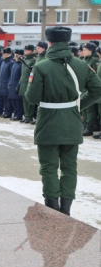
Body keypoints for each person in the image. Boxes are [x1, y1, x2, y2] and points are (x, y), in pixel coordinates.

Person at [25, 26, 101, 215]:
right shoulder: (82, 64)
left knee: (49, 167)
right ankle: (66, 209)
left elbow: (32, 98)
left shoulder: (41, 66)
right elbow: (97, 90)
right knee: (69, 167)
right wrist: (77, 106)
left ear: (49, 43)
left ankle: (52, 207)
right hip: (72, 122)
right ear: (67, 42)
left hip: (48, 123)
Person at [80, 42, 99, 136]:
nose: (83, 52)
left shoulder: (93, 61)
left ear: (91, 51)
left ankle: (89, 127)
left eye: (85, 50)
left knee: (90, 108)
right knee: (84, 108)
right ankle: (84, 125)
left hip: (90, 87)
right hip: (84, 88)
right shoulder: (85, 60)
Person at [19, 45, 36, 123]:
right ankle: (26, 116)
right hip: (23, 82)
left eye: (27, 50)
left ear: (31, 51)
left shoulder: (33, 60)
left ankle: (29, 116)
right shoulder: (25, 59)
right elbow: (22, 74)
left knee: (29, 102)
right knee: (24, 101)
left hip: (29, 83)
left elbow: (33, 73)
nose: (25, 51)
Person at [0, 47, 14, 118]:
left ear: (8, 54)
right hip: (1, 83)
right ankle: (4, 111)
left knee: (7, 100)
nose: (2, 55)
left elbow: (11, 75)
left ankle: (8, 112)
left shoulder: (10, 62)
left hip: (6, 84)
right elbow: (0, 74)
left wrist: (9, 83)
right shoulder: (3, 62)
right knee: (3, 99)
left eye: (4, 54)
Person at [8, 49, 23, 121]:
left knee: (18, 102)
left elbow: (21, 77)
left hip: (17, 85)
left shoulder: (22, 65)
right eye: (15, 55)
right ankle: (16, 113)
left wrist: (19, 85)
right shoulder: (14, 64)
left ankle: (19, 115)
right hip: (12, 84)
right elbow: (11, 75)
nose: (15, 57)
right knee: (13, 101)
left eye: (17, 56)